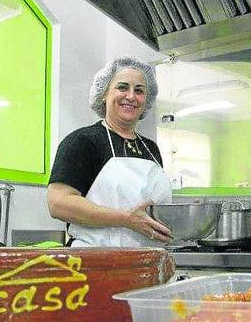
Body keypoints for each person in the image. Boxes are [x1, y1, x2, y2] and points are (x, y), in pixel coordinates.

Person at [47, 56, 173, 247]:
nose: (131, 96)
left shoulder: (150, 148)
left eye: (139, 91)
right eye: (122, 87)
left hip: (145, 261)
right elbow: (58, 203)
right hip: (94, 262)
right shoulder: (83, 141)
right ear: (104, 93)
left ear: (146, 100)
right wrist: (126, 219)